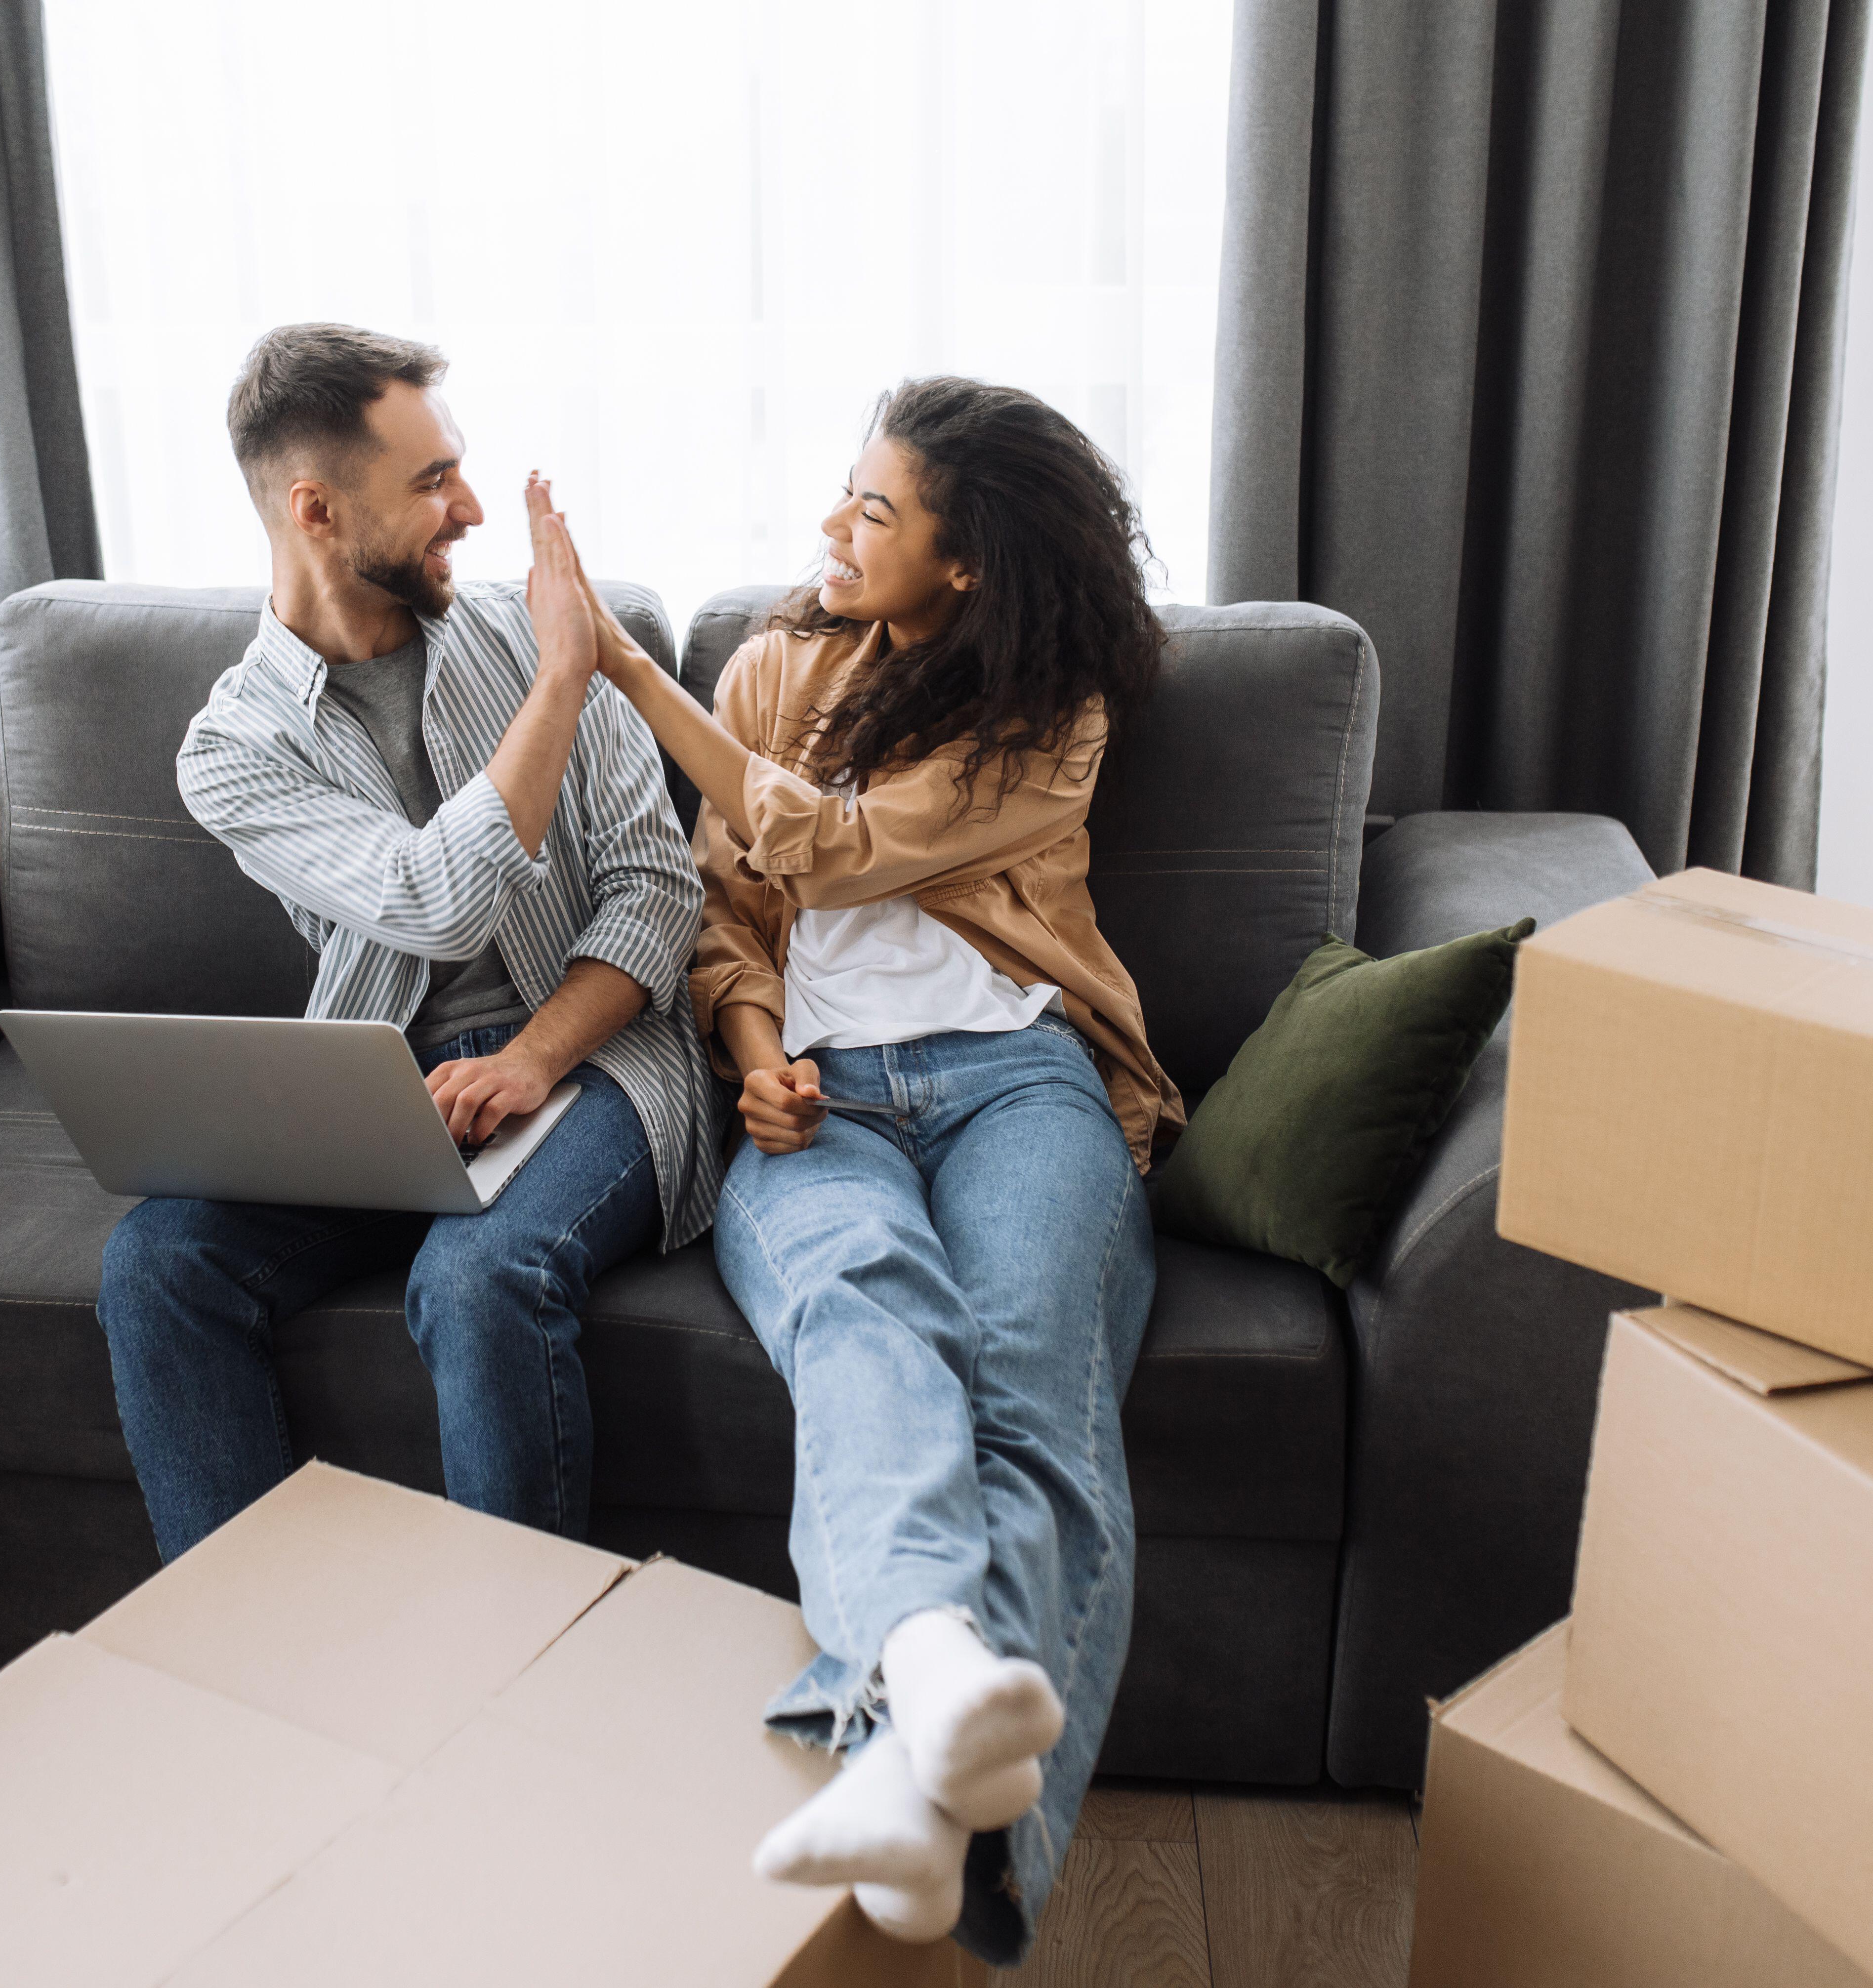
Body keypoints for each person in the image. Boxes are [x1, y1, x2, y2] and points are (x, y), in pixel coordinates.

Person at [536, 376, 1179, 1964]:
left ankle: (913, 1761)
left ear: (964, 563)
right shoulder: (769, 668)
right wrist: (755, 1059)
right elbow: (725, 910)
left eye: (873, 510)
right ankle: (940, 1685)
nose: (832, 525)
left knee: (1029, 1370)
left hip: (1018, 1082)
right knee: (862, 1312)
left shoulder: (1053, 713)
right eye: (844, 491)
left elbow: (830, 846)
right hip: (816, 1101)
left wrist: (622, 670)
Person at [97, 323, 721, 1560]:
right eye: (433, 481)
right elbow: (432, 900)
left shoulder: (527, 634)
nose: (474, 508)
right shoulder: (232, 750)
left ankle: (516, 1684)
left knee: (477, 1280)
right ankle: (258, 1659)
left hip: (599, 1058)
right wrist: (559, 685)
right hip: (385, 1082)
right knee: (157, 1264)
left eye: (461, 469)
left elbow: (657, 890)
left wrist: (536, 1059)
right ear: (317, 509)